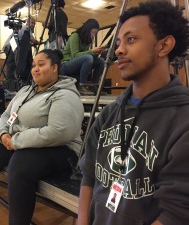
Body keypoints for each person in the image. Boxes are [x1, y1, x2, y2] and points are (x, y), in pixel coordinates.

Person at [78, 1, 189, 225]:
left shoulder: (183, 120)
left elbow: (175, 213)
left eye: (131, 39)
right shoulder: (109, 113)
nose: (118, 50)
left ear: (164, 45)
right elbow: (89, 176)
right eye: (118, 42)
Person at [0, 49, 84, 225]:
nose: (35, 69)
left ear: (55, 68)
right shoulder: (26, 90)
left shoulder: (65, 95)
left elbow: (59, 132)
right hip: (22, 142)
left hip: (62, 150)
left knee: (20, 166)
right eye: (33, 65)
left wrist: (16, 140)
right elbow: (6, 116)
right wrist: (3, 134)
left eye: (41, 64)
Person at [61, 18, 105, 95]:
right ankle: (82, 86)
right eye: (93, 33)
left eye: (95, 33)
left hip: (79, 62)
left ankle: (94, 86)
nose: (93, 35)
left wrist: (96, 53)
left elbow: (85, 54)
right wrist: (92, 51)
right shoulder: (75, 36)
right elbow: (75, 55)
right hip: (66, 64)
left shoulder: (87, 40)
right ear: (87, 30)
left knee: (100, 61)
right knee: (88, 57)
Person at [3, 16, 39, 82]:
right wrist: (39, 42)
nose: (33, 25)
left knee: (12, 63)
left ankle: (10, 80)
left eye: (34, 24)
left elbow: (23, 42)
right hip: (11, 45)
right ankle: (10, 80)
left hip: (9, 45)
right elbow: (33, 41)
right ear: (27, 22)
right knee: (13, 63)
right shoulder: (26, 28)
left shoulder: (23, 28)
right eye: (32, 23)